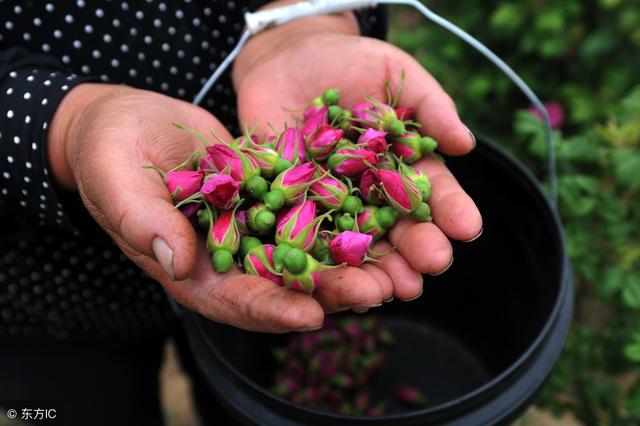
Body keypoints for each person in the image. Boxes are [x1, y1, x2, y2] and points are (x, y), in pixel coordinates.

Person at [0, 1, 482, 424]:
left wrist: (301, 19)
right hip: (49, 293)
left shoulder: (283, 192)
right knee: (81, 407)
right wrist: (65, 125)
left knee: (232, 394)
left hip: (225, 177)